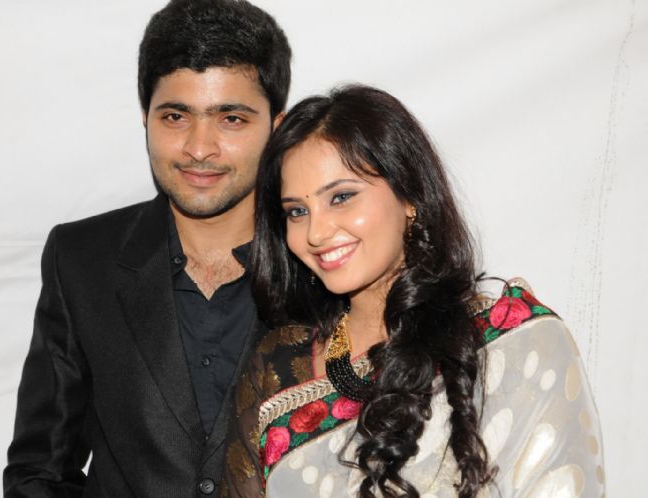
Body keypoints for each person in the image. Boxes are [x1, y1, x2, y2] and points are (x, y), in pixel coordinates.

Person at [221, 85, 604, 497]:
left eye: (342, 197)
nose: (316, 232)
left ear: (409, 196)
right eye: (297, 211)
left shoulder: (514, 347)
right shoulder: (278, 366)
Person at [3, 1, 291, 496]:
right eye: (176, 116)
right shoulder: (81, 259)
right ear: (145, 118)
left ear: (276, 125)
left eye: (231, 119)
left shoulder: (324, 262)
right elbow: (40, 472)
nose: (199, 148)